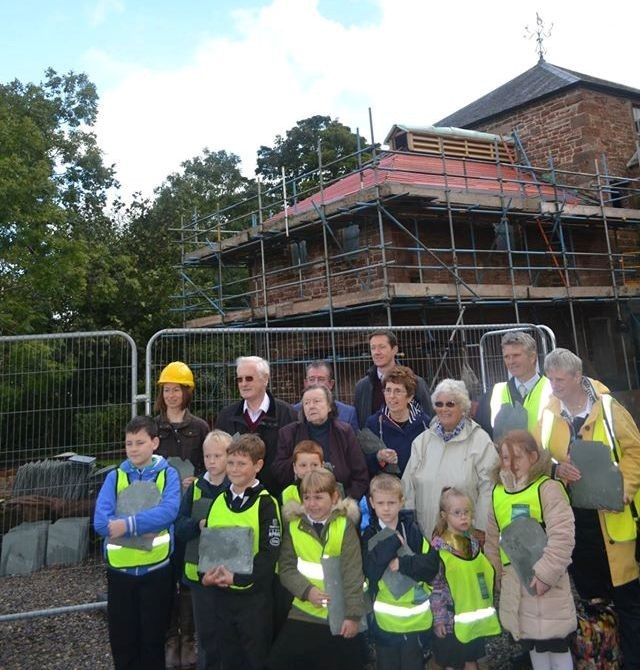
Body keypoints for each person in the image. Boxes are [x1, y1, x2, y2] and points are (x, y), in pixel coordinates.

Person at [535, 347, 640, 667]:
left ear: (578, 377)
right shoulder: (549, 412)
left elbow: (635, 451)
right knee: (594, 602)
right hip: (578, 522)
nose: (554, 385)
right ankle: (604, 659)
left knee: (628, 602)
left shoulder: (609, 408)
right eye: (550, 379)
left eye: (560, 379)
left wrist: (624, 488)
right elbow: (538, 458)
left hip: (615, 519)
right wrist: (556, 469)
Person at [93, 415, 181, 670]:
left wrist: (126, 525)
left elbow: (169, 512)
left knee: (152, 642)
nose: (133, 448)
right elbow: (101, 522)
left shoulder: (168, 475)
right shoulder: (115, 477)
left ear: (154, 443)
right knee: (123, 643)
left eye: (139, 443)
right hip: (120, 574)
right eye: (129, 443)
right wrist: (145, 526)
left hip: (156, 572)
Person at [485, 430, 575, 670]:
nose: (511, 464)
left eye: (518, 457)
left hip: (547, 583)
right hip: (515, 582)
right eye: (505, 457)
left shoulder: (547, 488)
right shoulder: (497, 493)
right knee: (532, 644)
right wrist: (496, 575)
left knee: (556, 644)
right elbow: (492, 540)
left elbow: (563, 536)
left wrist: (545, 574)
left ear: (533, 457)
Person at [267, 468, 367, 670]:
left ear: (334, 497)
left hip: (339, 613)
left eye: (319, 498)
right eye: (307, 498)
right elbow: (285, 568)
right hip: (303, 610)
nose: (312, 504)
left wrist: (353, 615)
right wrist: (307, 591)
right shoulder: (294, 526)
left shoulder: (345, 526)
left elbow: (353, 573)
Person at [200, 434, 281, 670]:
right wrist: (205, 575)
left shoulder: (266, 504)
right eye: (231, 462)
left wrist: (238, 578)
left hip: (254, 600)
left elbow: (269, 554)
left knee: (256, 659)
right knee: (228, 658)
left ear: (258, 465)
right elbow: (209, 547)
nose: (234, 469)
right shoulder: (218, 501)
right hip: (222, 596)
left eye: (242, 463)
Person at [154, 360, 210, 669]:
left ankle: (188, 638)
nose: (172, 395)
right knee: (165, 574)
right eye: (167, 390)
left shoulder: (200, 427)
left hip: (189, 508)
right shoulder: (153, 427)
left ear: (186, 393)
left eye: (177, 389)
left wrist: (197, 479)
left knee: (188, 573)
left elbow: (209, 464)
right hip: (161, 510)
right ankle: (170, 638)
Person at [402, 379, 498, 540]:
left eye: (450, 404)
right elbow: (408, 487)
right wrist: (411, 528)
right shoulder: (422, 442)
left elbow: (489, 487)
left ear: (463, 407)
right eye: (439, 404)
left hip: (465, 536)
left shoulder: (480, 440)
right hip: (427, 535)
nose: (443, 409)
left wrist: (481, 528)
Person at [362, 474, 440, 670]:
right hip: (384, 622)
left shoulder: (412, 530)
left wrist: (403, 563)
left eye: (391, 502)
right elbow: (369, 569)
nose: (386, 508)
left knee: (412, 664)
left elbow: (431, 565)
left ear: (401, 501)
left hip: (415, 622)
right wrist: (394, 542)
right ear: (371, 503)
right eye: (380, 503)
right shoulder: (369, 533)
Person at [175, 430, 232, 670]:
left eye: (217, 456)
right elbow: (179, 524)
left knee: (228, 632)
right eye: (208, 456)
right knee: (206, 633)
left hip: (229, 572)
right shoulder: (196, 487)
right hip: (199, 574)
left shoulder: (237, 487)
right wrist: (197, 525)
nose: (212, 461)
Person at [430, 487, 501, 670]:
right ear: (444, 515)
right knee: (452, 663)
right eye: (457, 513)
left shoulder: (474, 543)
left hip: (471, 619)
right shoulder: (439, 549)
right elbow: (436, 587)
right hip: (450, 620)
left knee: (471, 659)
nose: (463, 517)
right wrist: (439, 619)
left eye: (466, 512)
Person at [215, 355, 297, 496]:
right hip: (236, 497)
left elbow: (293, 457)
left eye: (249, 378)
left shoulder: (287, 414)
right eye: (239, 379)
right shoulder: (226, 417)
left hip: (276, 495)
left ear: (265, 379)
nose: (243, 384)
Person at [273, 384, 369, 501]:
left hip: (339, 501)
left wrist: (342, 499)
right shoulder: (288, 433)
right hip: (300, 502)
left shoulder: (345, 432)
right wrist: (302, 466)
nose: (311, 406)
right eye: (307, 403)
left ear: (329, 406)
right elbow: (278, 471)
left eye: (317, 401)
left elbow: (361, 475)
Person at [475, 331, 552, 439]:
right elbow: (482, 436)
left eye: (516, 355)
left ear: (532, 357)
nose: (511, 361)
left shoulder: (554, 390)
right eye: (506, 357)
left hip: (545, 456)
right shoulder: (494, 394)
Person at [354, 330, 433, 429]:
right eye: (373, 348)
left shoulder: (416, 383)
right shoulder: (362, 387)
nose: (376, 352)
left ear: (394, 350)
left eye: (382, 347)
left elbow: (428, 418)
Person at [364, 366, 430, 478]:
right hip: (388, 490)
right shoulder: (374, 423)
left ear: (410, 397)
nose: (391, 396)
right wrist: (378, 457)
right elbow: (365, 462)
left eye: (398, 391)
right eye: (388, 390)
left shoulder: (424, 424)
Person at [293, 360, 359, 434]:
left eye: (321, 379)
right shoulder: (293, 411)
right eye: (311, 379)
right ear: (305, 383)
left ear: (331, 384)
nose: (316, 383)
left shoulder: (348, 414)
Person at [281, 440, 325, 505]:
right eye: (303, 465)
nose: (309, 470)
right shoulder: (287, 493)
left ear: (322, 466)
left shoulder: (332, 490)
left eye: (315, 465)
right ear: (295, 468)